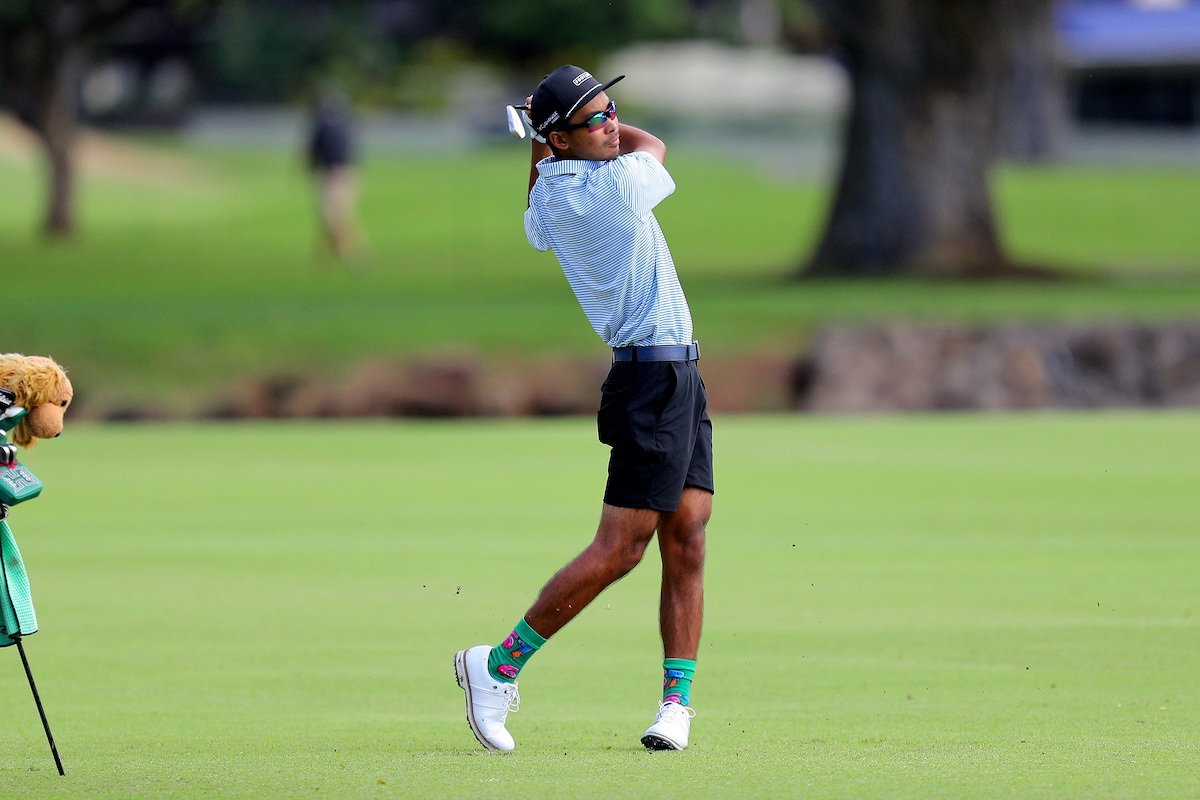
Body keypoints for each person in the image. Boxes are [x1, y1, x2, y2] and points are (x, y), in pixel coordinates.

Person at [455, 65, 713, 753]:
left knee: (687, 535)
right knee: (621, 550)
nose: (610, 124)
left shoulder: (553, 190)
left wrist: (551, 135)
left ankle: (675, 705)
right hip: (651, 385)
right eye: (594, 119)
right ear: (561, 141)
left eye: (610, 110)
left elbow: (538, 210)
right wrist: (565, 135)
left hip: (676, 374)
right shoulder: (616, 187)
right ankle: (497, 665)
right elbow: (651, 143)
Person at [306, 91, 363, 263]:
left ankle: (348, 256)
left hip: (333, 175)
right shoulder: (347, 125)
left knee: (332, 217)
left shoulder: (322, 127)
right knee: (342, 216)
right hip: (348, 173)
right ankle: (336, 255)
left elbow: (312, 155)